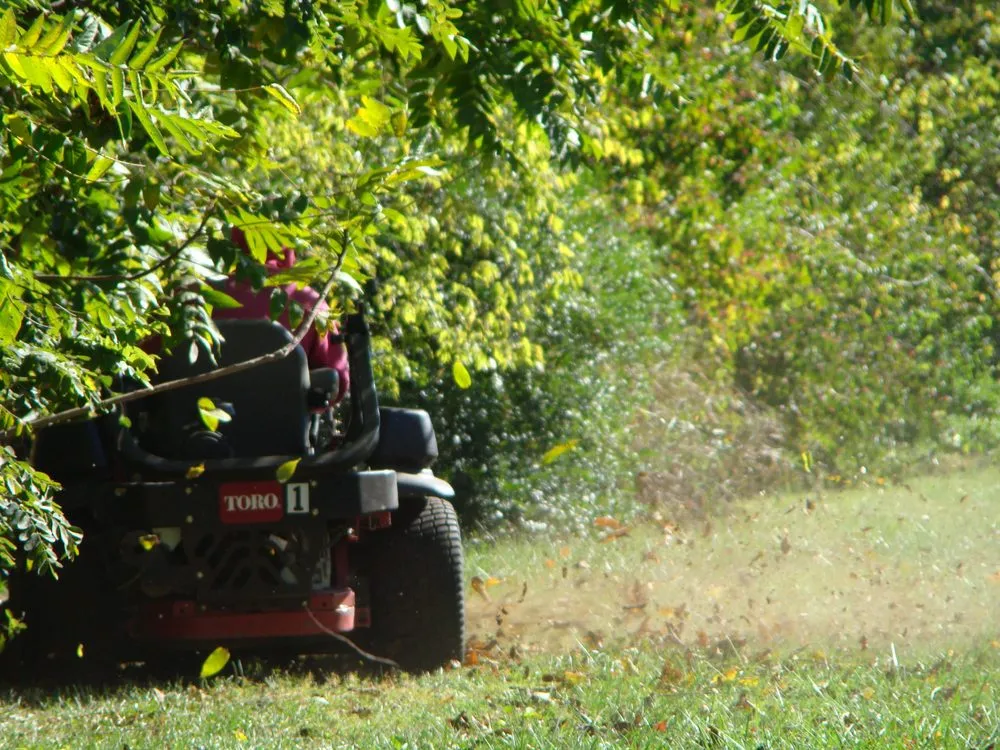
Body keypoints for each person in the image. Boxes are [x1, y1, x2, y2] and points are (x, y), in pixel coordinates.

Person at [214, 228, 350, 403]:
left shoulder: (198, 294)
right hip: (284, 426)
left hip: (194, 423)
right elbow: (338, 381)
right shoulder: (312, 305)